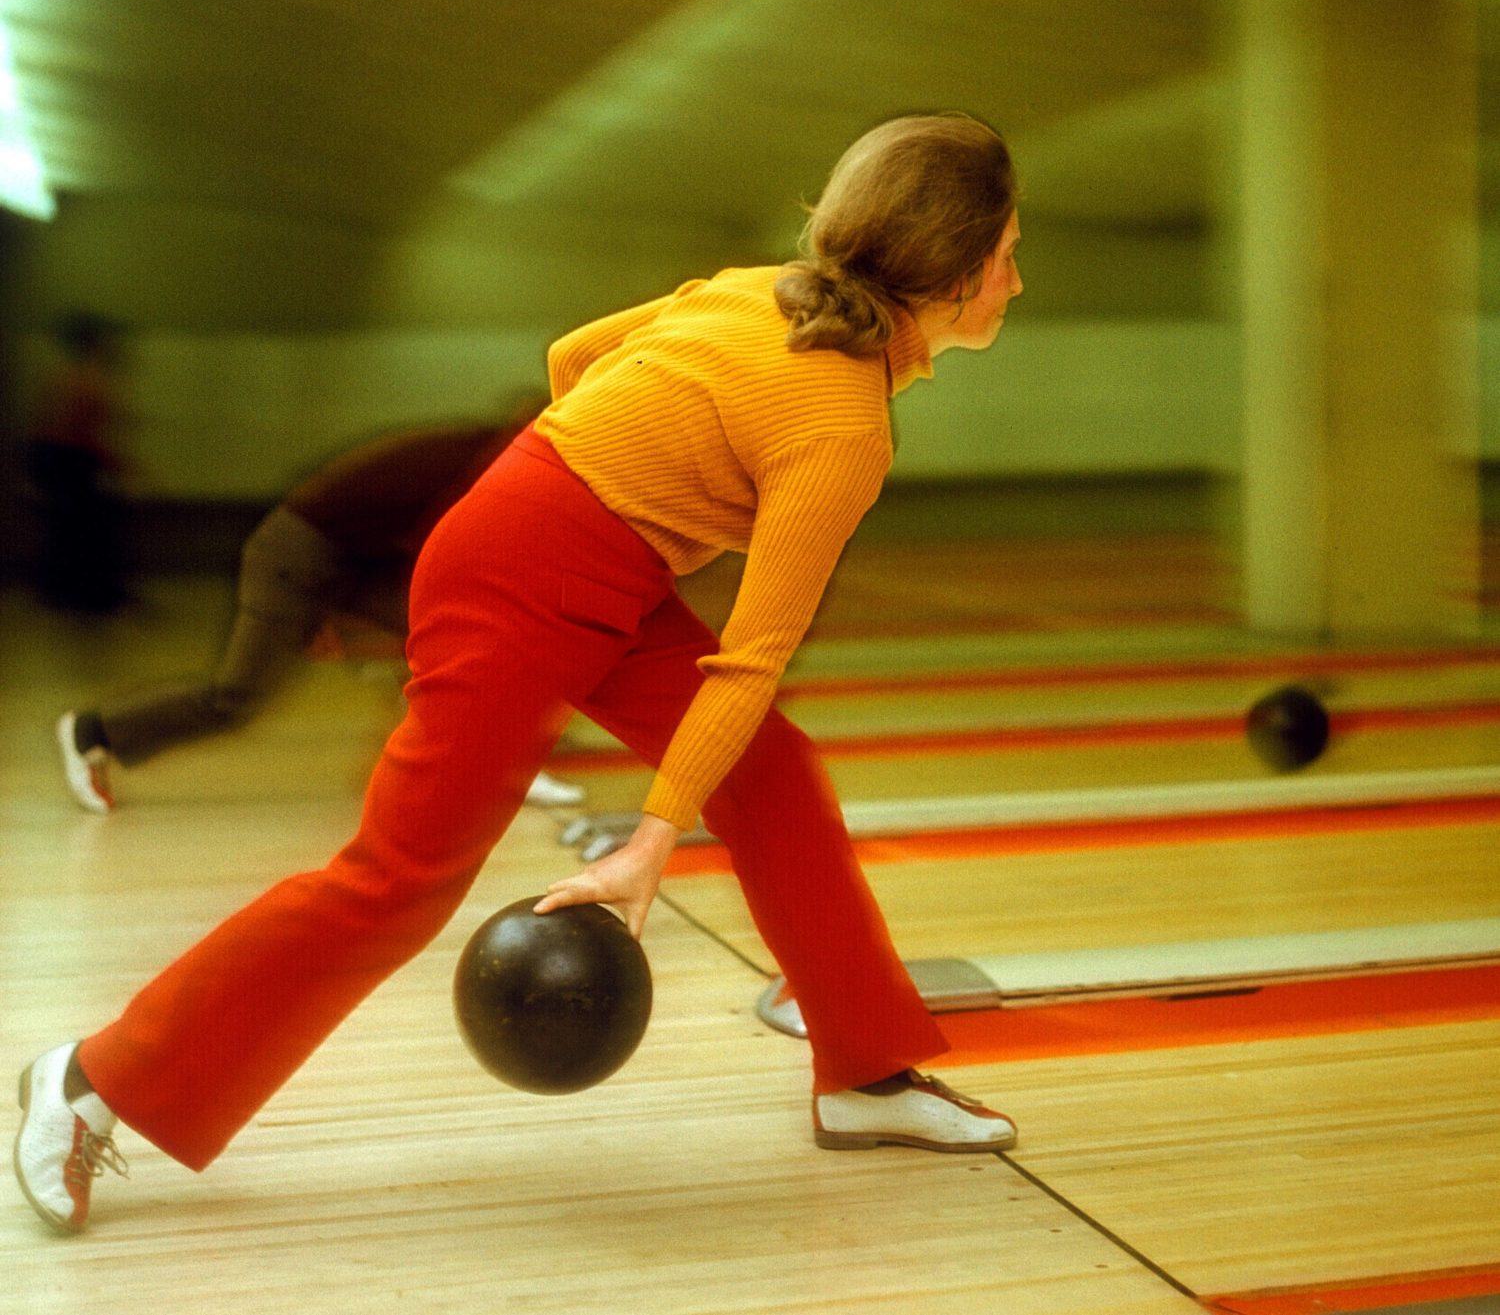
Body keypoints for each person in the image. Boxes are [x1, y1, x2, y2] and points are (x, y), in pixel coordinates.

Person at [14, 111, 1025, 1235]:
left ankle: (865, 1071)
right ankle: (92, 1080)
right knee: (395, 879)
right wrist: (653, 838)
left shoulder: (760, 289)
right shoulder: (843, 427)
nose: (1016, 283)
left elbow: (574, 358)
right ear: (953, 272)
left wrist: (629, 473)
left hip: (580, 548)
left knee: (774, 775)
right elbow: (753, 655)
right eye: (1008, 258)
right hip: (524, 571)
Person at [53, 394, 585, 816]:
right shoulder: (498, 461)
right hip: (298, 554)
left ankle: (481, 769)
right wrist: (337, 620)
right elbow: (442, 556)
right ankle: (92, 732)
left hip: (346, 558)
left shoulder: (504, 448)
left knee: (471, 637)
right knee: (234, 698)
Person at [23, 309, 133, 614]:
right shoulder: (89, 380)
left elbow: (50, 423)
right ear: (97, 345)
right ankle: (91, 594)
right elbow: (81, 433)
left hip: (50, 455)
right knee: (89, 524)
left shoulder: (66, 374)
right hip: (67, 457)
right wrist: (118, 465)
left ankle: (62, 590)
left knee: (70, 524)